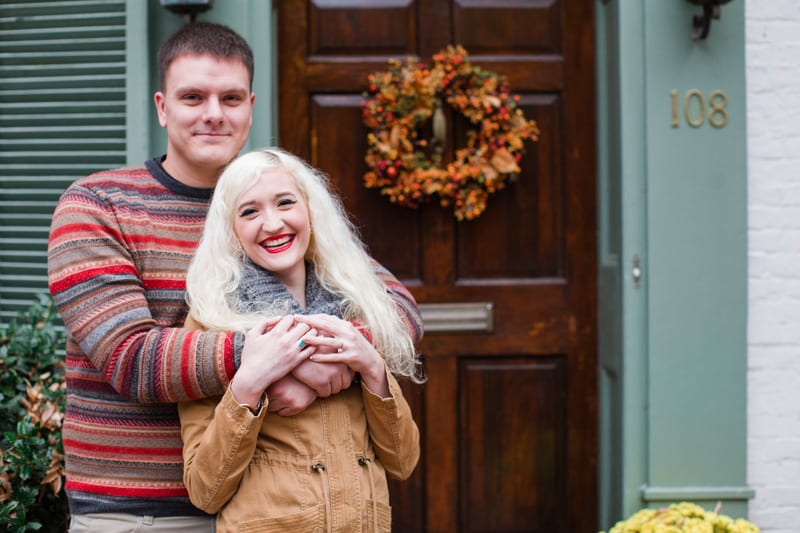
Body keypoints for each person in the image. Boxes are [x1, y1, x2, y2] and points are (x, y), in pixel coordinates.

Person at [46, 22, 423, 532]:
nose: (213, 114)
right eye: (193, 97)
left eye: (230, 98)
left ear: (250, 105)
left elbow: (395, 308)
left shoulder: (276, 206)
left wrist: (318, 363)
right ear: (162, 106)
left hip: (272, 509)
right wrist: (277, 364)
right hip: (141, 513)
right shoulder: (98, 205)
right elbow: (131, 358)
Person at [179, 147, 422, 532]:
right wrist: (250, 382)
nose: (272, 223)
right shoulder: (213, 320)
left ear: (311, 210)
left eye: (285, 202)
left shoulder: (357, 305)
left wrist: (371, 366)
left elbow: (403, 462)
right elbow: (205, 491)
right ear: (231, 231)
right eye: (249, 211)